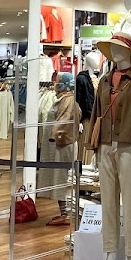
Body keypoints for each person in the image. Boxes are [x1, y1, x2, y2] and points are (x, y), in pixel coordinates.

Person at [43, 73, 80, 226]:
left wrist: (54, 135)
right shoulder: (63, 99)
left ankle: (66, 214)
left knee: (62, 178)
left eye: (58, 82)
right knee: (59, 178)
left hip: (62, 144)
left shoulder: (69, 100)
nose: (55, 84)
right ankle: (64, 212)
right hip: (58, 144)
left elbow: (64, 121)